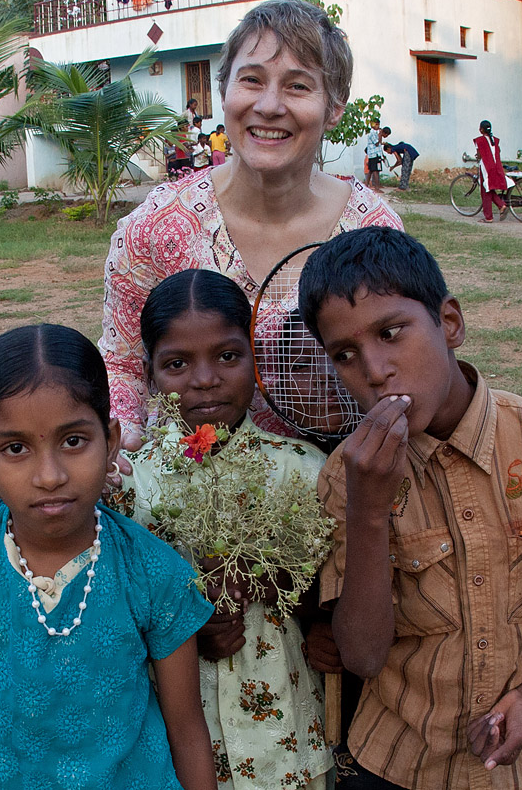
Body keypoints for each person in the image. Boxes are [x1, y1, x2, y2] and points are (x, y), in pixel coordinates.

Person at [297, 227, 522, 790]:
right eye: (344, 355)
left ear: (450, 323)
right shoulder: (350, 478)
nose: (374, 370)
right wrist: (368, 511)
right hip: (399, 760)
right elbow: (363, 657)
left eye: (391, 333)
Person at [0, 323, 217, 790]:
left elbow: (186, 728)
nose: (49, 476)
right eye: (15, 448)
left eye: (73, 441)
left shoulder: (153, 571)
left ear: (110, 441)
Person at [100, 0, 401, 448]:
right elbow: (122, 365)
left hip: (342, 478)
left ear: (334, 107)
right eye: (251, 80)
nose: (269, 105)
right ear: (224, 91)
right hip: (185, 482)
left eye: (298, 86)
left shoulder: (373, 231)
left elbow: (400, 361)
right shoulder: (153, 229)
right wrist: (126, 444)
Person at [122, 269, 334, 789]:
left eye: (227, 356)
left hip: (288, 741)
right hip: (180, 746)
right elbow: (118, 619)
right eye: (177, 364)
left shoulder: (304, 470)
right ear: (150, 375)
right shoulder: (132, 487)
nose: (205, 379)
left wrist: (273, 583)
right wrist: (187, 629)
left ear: (255, 360)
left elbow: (331, 602)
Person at [473, 120, 508, 222]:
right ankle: (501, 205)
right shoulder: (495, 140)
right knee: (489, 188)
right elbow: (498, 151)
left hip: (486, 167)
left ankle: (489, 216)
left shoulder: (480, 140)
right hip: (496, 167)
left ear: (481, 130)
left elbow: (479, 155)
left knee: (485, 191)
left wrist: (477, 156)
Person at [364, 118, 383, 190]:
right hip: (374, 154)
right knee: (375, 171)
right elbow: (377, 143)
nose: (378, 126)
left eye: (378, 124)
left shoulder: (375, 133)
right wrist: (380, 134)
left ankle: (366, 185)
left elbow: (379, 142)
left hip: (375, 154)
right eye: (377, 124)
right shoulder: (372, 133)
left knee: (371, 170)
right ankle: (377, 188)